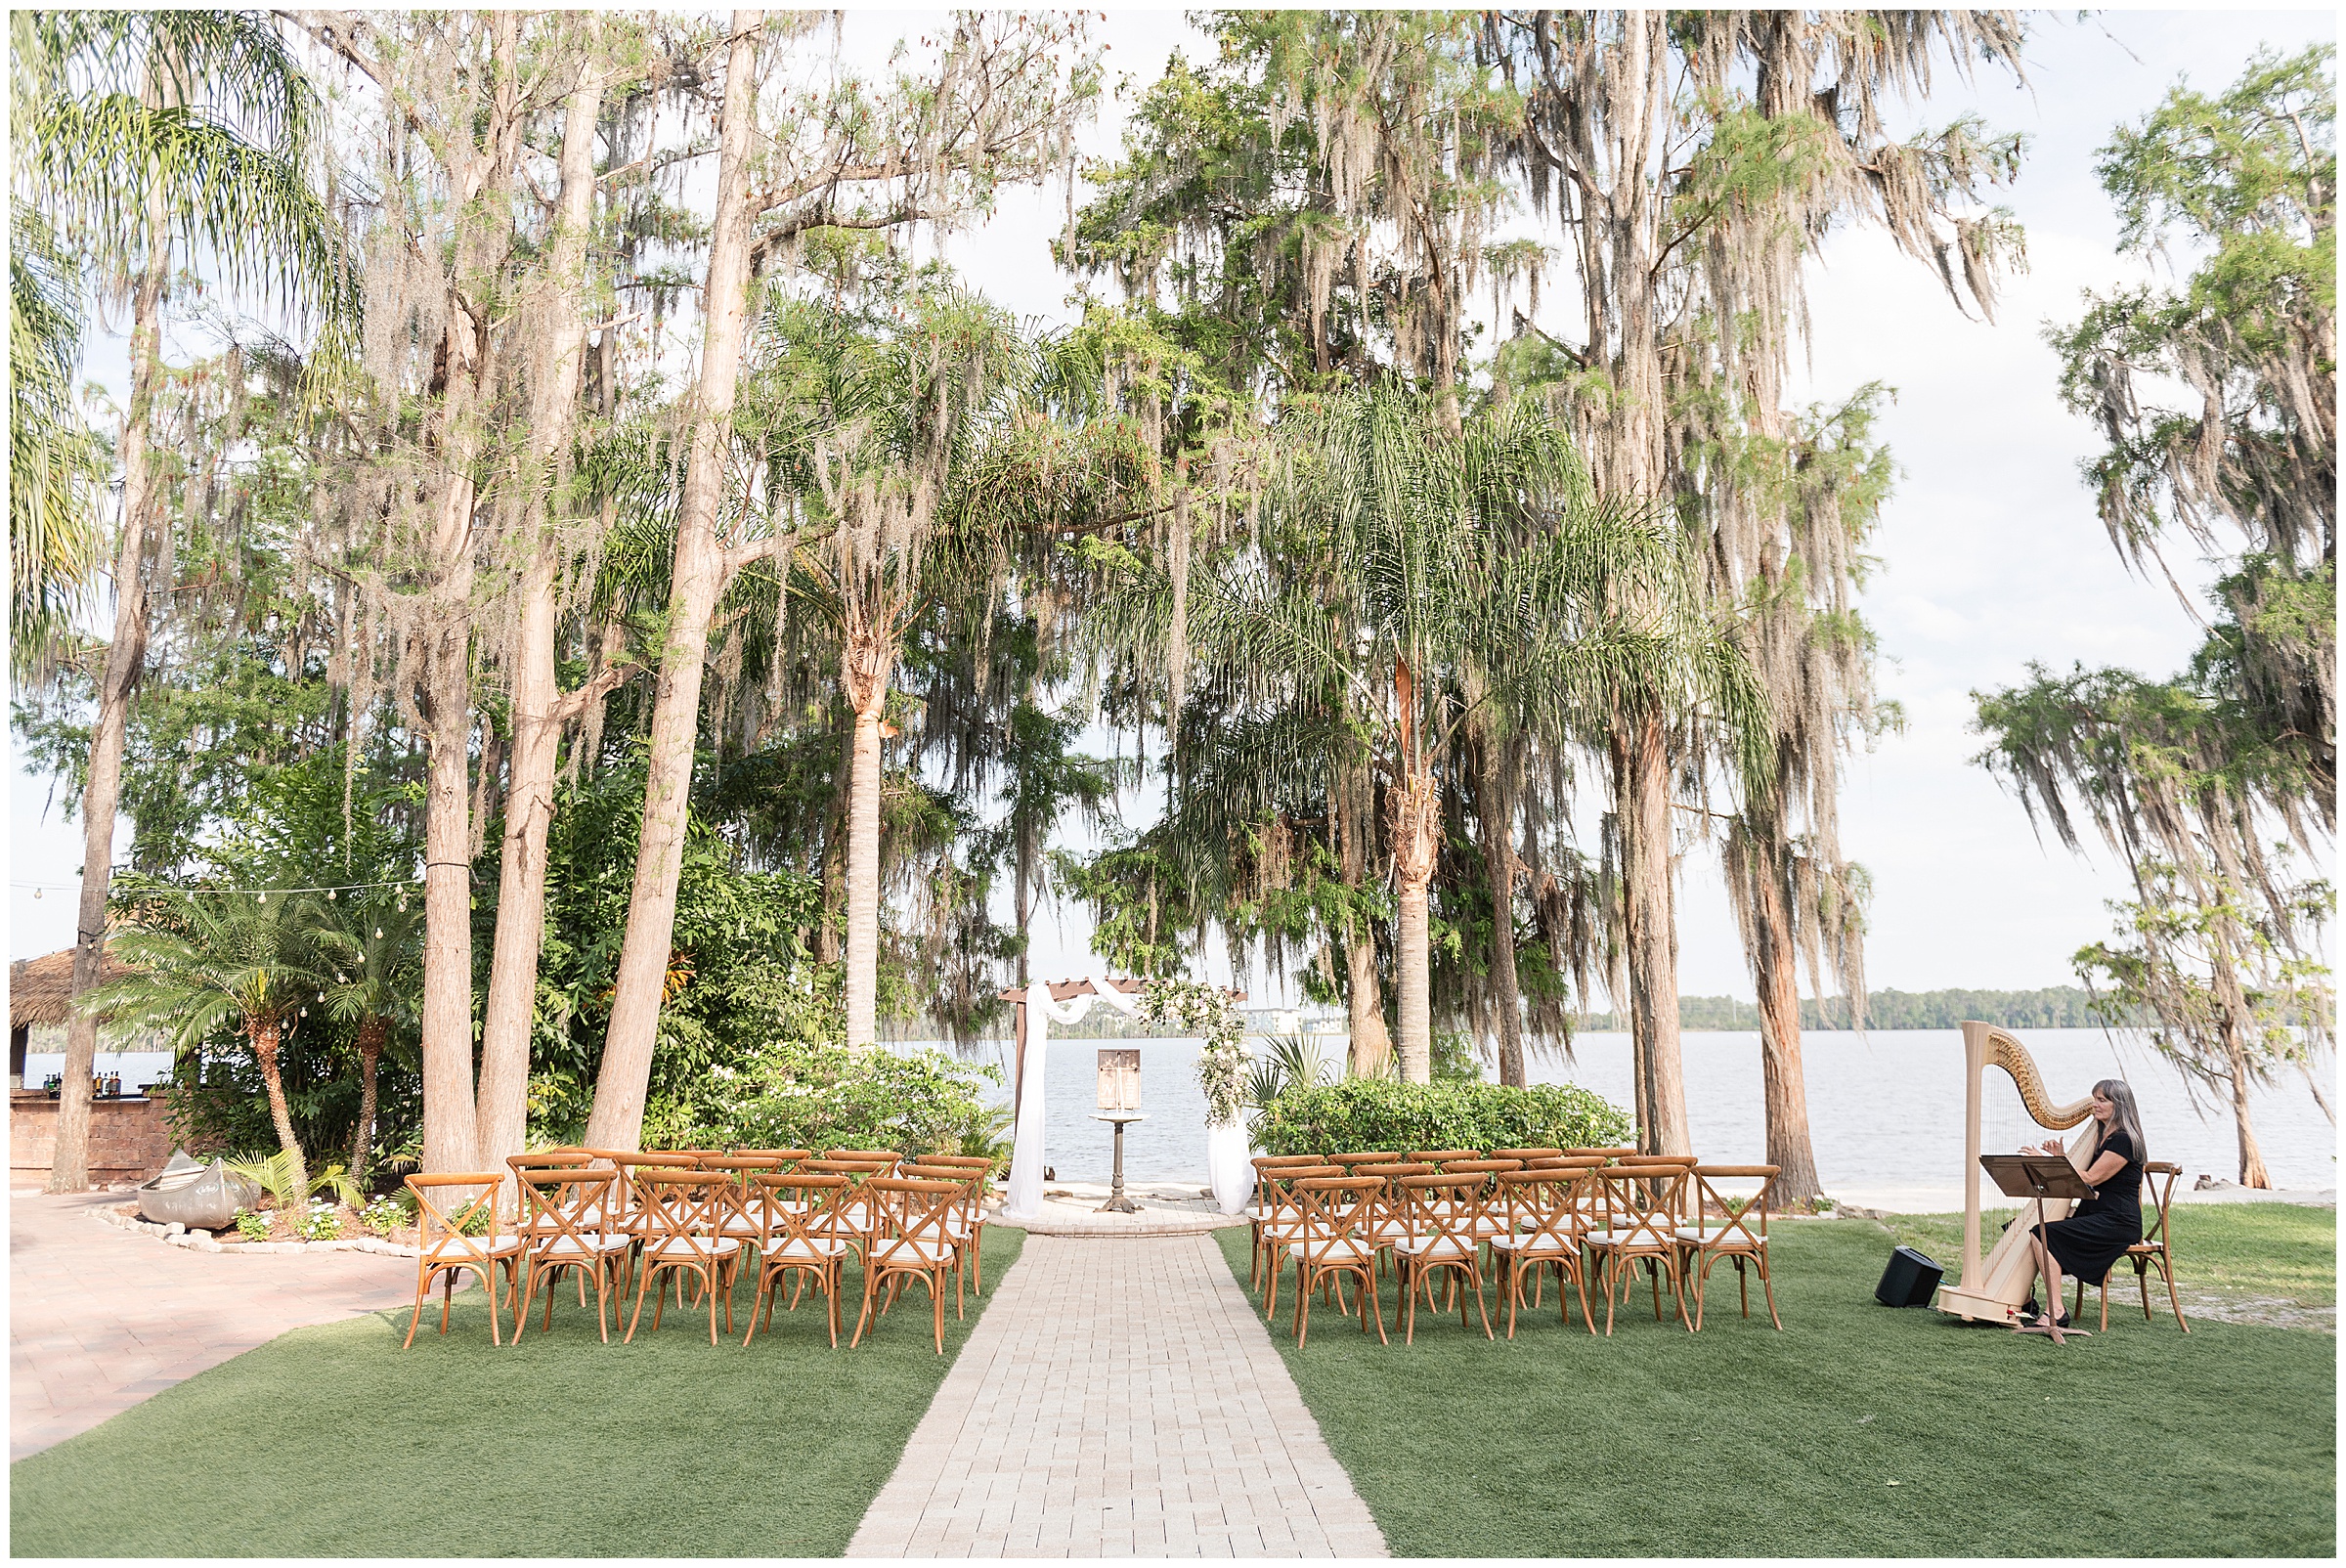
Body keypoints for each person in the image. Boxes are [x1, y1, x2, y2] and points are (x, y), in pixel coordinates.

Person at [2020, 1078, 2148, 1328]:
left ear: (2119, 1105)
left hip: (2117, 1221)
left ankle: (2056, 1310)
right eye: (2094, 1099)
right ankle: (2023, 1301)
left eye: (2102, 1100)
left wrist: (2049, 1163)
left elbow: (2090, 1178)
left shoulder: (2124, 1140)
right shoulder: (2101, 1137)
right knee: (2018, 1225)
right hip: (2096, 1212)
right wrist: (2061, 1158)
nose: (2094, 1105)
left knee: (2042, 1233)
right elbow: (2082, 1182)